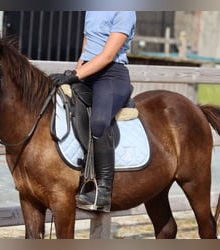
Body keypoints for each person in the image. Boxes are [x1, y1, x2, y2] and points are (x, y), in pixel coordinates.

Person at [50, 11, 136, 212]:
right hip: (87, 73)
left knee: (98, 122)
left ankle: (103, 190)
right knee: (61, 106)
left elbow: (107, 56)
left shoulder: (125, 11)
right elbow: (86, 47)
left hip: (111, 75)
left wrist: (75, 75)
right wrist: (75, 73)